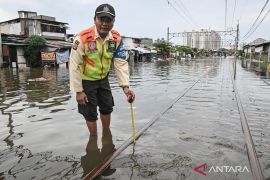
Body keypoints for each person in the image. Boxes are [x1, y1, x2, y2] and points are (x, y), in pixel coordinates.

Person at [69, 3, 135, 135]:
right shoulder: (82, 38)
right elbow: (74, 65)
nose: (104, 23)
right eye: (101, 19)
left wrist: (125, 87)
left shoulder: (116, 39)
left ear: (113, 22)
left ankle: (106, 135)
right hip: (86, 81)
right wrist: (78, 91)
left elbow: (120, 63)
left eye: (108, 20)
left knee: (107, 108)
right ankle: (93, 138)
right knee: (90, 113)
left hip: (103, 79)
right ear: (95, 20)